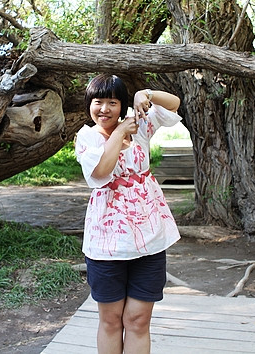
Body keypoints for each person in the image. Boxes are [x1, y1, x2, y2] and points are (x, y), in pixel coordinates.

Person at [75, 74, 182, 354]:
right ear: (89, 104)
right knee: (111, 320)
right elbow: (100, 172)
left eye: (113, 102)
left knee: (138, 319)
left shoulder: (140, 125)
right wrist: (121, 132)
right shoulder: (87, 137)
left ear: (122, 105)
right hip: (106, 244)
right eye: (98, 102)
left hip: (149, 237)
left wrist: (146, 93)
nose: (104, 109)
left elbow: (174, 104)